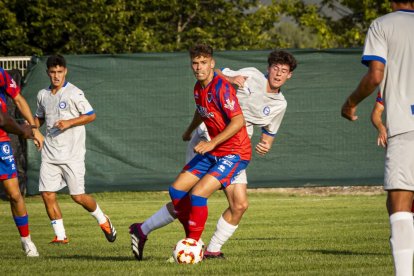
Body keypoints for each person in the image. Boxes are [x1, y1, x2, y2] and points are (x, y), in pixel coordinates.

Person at [129, 49, 297, 260]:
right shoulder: (251, 75)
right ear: (268, 68)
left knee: (239, 204)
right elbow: (215, 74)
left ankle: (208, 249)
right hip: (208, 137)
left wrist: (266, 144)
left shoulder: (280, 104)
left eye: (284, 71)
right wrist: (230, 77)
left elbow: (269, 133)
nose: (278, 74)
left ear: (289, 75)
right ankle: (187, 243)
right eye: (275, 68)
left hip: (234, 145)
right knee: (188, 196)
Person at [341, 1, 414, 275]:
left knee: (400, 204)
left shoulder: (383, 25)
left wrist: (350, 103)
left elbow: (374, 76)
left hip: (408, 125)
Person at [34, 55, 116, 244]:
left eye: (60, 72)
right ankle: (61, 235)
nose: (56, 76)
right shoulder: (42, 95)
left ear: (65, 72)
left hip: (72, 155)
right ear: (47, 73)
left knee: (77, 196)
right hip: (50, 153)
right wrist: (34, 130)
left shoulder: (74, 93)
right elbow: (39, 118)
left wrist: (69, 122)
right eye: (53, 72)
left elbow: (90, 115)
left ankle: (104, 220)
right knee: (47, 194)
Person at [0, 67, 43, 257]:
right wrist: (23, 131)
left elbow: (18, 98)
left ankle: (27, 241)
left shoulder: (1, 73)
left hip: (1, 142)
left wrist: (33, 128)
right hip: (6, 129)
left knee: (15, 194)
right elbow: (2, 119)